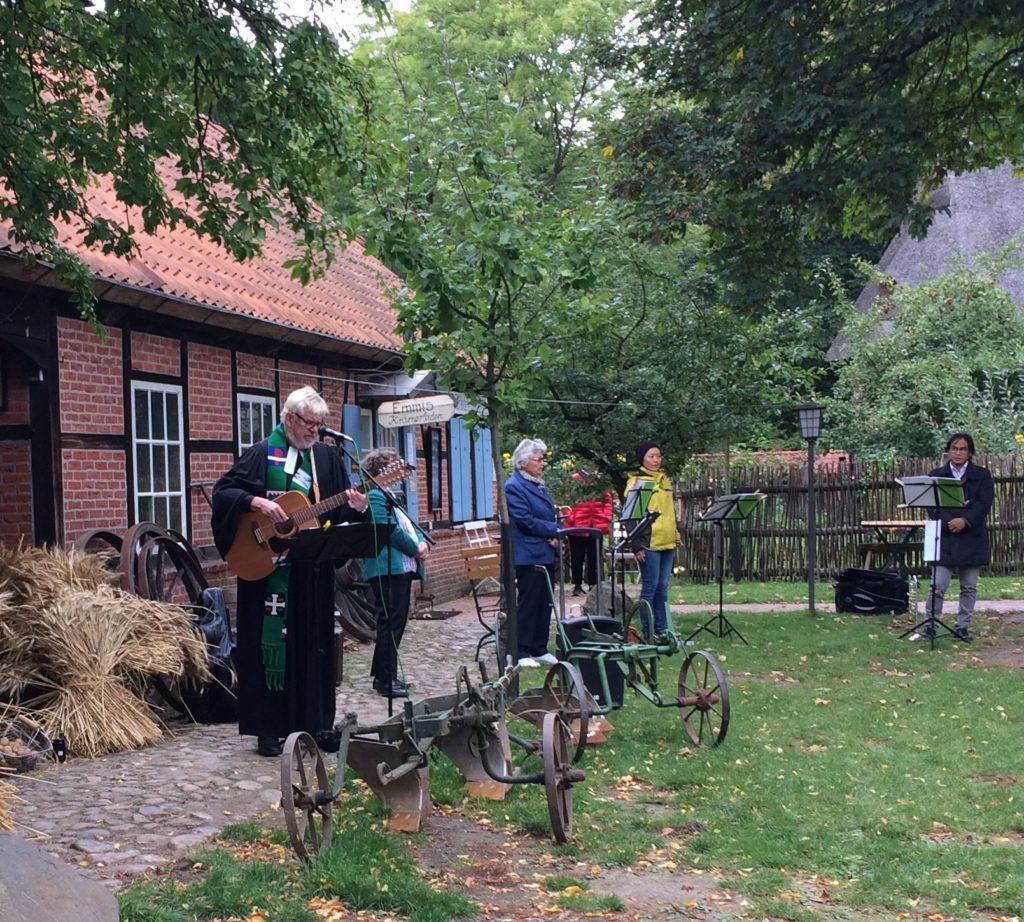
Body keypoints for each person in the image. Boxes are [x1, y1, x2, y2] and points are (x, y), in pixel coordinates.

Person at [211, 386, 368, 756]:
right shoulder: (262, 454)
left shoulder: (327, 459)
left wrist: (356, 507)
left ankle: (314, 724)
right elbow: (224, 493)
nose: (316, 430)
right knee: (270, 650)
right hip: (270, 576)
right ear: (289, 419)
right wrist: (256, 501)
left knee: (314, 650)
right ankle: (268, 729)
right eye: (310, 424)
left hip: (312, 576)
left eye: (320, 424)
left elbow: (334, 513)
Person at [361, 448, 429, 699]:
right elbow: (387, 529)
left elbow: (409, 525)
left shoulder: (390, 496)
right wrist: (414, 548)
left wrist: (421, 543)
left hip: (401, 566)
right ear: (382, 471)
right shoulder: (376, 496)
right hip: (386, 567)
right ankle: (385, 679)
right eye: (395, 468)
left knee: (395, 623)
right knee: (390, 622)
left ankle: (384, 675)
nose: (400, 473)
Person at [924, 432, 993, 642]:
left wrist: (964, 521)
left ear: (970, 452)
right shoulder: (937, 475)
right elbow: (931, 504)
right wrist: (949, 522)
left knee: (969, 586)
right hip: (944, 537)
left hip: (971, 536)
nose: (958, 453)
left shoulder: (982, 475)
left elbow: (983, 504)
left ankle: (962, 626)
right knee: (938, 585)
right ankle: (931, 624)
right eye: (954, 448)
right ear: (948, 451)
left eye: (962, 449)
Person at [505, 438, 560, 668]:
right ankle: (521, 650)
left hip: (545, 550)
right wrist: (554, 530)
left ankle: (539, 647)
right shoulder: (514, 486)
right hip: (528, 553)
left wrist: (554, 533)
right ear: (524, 461)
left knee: (544, 602)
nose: (542, 464)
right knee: (528, 603)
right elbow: (525, 520)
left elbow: (547, 515)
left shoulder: (537, 483)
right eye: (539, 459)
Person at [625, 441, 679, 638]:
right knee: (650, 587)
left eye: (658, 455)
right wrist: (636, 544)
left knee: (663, 588)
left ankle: (662, 629)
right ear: (642, 459)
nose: (656, 460)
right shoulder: (637, 482)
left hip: (667, 541)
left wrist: (676, 535)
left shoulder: (665, 480)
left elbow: (670, 512)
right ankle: (648, 631)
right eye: (651, 456)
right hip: (649, 543)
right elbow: (630, 517)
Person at [562, 473, 613, 595]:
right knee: (577, 557)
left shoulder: (599, 482)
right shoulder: (574, 480)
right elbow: (566, 502)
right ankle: (577, 585)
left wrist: (606, 517)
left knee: (594, 557)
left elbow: (608, 501)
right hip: (577, 525)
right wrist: (571, 518)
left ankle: (593, 584)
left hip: (596, 524)